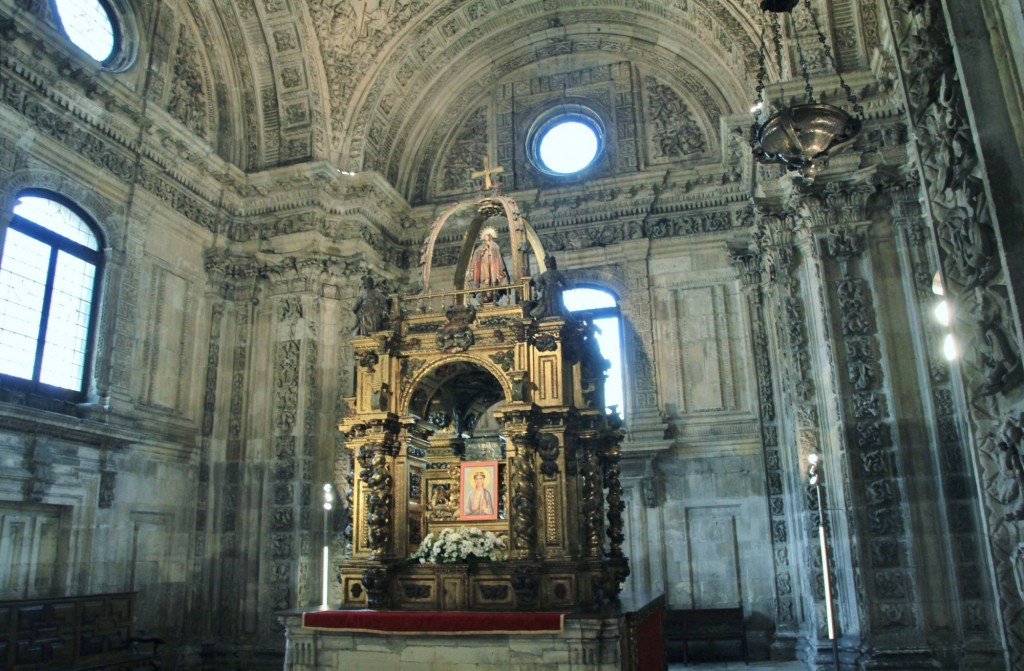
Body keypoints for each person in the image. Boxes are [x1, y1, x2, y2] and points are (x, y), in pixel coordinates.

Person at [467, 227, 509, 299]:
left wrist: (490, 249)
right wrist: (482, 252)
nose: (486, 237)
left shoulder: (495, 246)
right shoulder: (480, 247)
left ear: (490, 236)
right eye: (485, 236)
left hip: (492, 263)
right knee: (484, 274)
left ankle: (492, 283)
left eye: (487, 236)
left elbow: (497, 256)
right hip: (483, 262)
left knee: (492, 273)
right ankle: (485, 282)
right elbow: (476, 255)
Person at [530, 255, 570, 319]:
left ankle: (555, 313)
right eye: (546, 263)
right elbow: (538, 286)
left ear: (552, 263)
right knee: (547, 302)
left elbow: (564, 281)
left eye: (549, 262)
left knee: (557, 302)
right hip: (547, 291)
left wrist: (569, 285)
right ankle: (549, 314)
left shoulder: (557, 273)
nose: (547, 264)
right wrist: (533, 284)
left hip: (556, 290)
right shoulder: (544, 274)